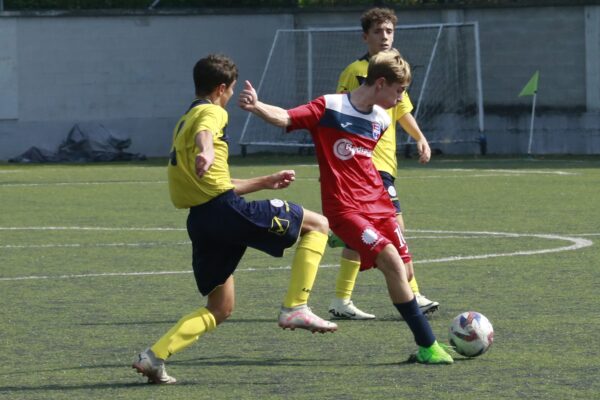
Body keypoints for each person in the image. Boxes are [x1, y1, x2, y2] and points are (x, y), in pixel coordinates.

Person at [132, 54, 337, 385]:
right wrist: (207, 149)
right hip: (225, 212)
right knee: (319, 224)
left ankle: (154, 357)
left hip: (202, 220)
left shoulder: (183, 120)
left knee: (220, 307)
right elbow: (206, 133)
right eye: (229, 92)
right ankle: (296, 306)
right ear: (221, 88)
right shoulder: (211, 112)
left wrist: (264, 182)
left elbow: (217, 183)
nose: (229, 99)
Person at [239, 49, 453, 364]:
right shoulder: (329, 107)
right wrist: (257, 106)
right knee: (391, 261)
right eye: (399, 91)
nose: (401, 99)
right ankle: (428, 345)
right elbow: (286, 116)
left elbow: (359, 161)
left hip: (379, 205)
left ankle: (425, 341)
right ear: (381, 83)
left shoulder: (380, 119)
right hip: (345, 209)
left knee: (405, 272)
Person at [328, 7, 438, 321]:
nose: (385, 37)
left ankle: (341, 300)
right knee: (395, 226)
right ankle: (413, 293)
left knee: (360, 234)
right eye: (378, 31)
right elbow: (339, 112)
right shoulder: (356, 71)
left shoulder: (395, 71)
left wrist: (420, 138)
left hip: (386, 162)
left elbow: (402, 111)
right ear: (366, 37)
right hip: (366, 163)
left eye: (389, 31)